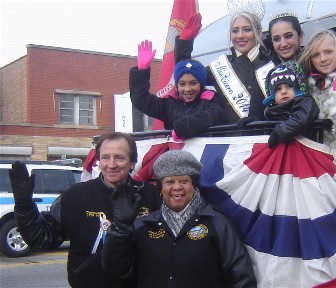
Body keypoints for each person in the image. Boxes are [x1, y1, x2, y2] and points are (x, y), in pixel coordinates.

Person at [8, 132, 161, 287]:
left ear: (132, 162)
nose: (112, 164)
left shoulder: (149, 194)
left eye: (119, 158)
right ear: (99, 161)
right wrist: (24, 204)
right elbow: (42, 238)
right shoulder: (76, 195)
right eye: (105, 157)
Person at [102, 150, 257, 288]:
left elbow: (241, 277)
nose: (177, 187)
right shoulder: (142, 225)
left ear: (194, 185)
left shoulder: (218, 223)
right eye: (169, 182)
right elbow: (117, 268)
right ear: (160, 188)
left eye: (184, 181)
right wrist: (121, 227)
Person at [175, 12, 274, 125]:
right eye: (235, 31)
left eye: (247, 29)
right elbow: (186, 73)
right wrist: (184, 44)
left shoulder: (271, 62)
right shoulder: (220, 66)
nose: (240, 36)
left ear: (259, 33)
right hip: (232, 137)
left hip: (266, 137)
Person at [130, 40, 225, 141]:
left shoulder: (211, 100)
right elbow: (141, 101)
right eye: (182, 84)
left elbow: (217, 115)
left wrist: (183, 127)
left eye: (193, 83)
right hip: (176, 154)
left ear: (201, 84)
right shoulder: (169, 103)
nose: (187, 89)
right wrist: (142, 71)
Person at [266, 10, 336, 85]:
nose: (283, 43)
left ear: (301, 36)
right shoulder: (265, 71)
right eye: (276, 39)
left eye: (288, 36)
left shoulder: (315, 63)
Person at [262, 61, 319, 148]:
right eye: (278, 89)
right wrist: (253, 123)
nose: (284, 91)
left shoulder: (305, 102)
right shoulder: (270, 110)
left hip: (302, 152)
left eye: (289, 86)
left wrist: (281, 130)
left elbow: (301, 118)